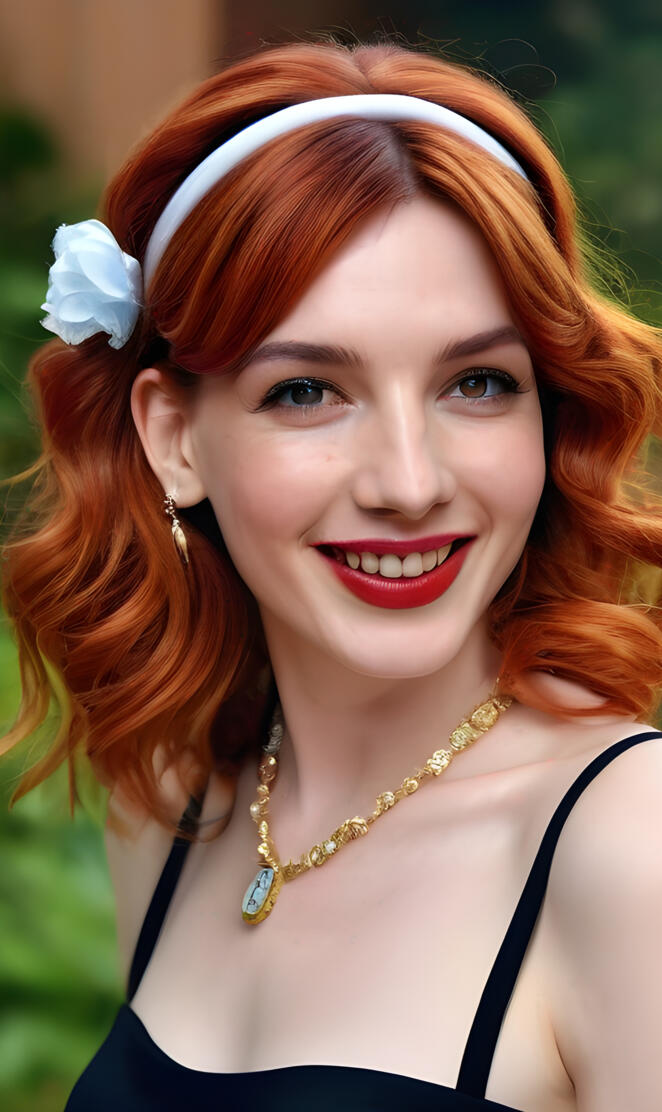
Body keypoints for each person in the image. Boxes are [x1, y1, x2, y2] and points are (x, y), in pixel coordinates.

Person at [2, 38, 661, 1112]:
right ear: (173, 437)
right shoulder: (169, 800)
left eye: (478, 381)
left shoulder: (629, 850)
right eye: (307, 391)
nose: (407, 482)